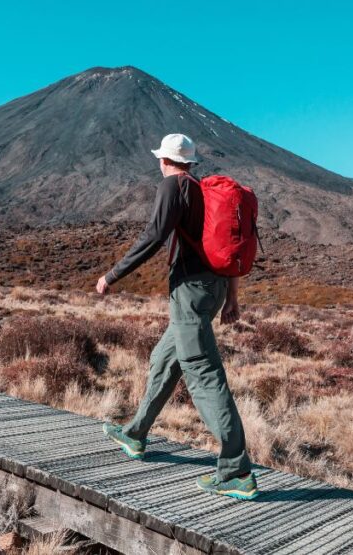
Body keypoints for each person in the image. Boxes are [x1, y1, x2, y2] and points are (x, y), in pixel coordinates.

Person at [96, 133, 258, 500]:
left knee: (203, 374)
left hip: (190, 294)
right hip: (214, 289)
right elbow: (230, 250)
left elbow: (154, 235)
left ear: (163, 160)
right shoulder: (203, 190)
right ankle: (135, 434)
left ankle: (236, 470)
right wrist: (232, 299)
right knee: (164, 359)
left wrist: (112, 275)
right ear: (190, 161)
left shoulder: (174, 186)